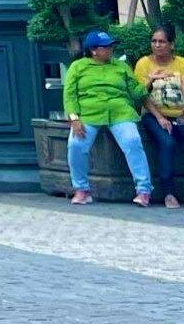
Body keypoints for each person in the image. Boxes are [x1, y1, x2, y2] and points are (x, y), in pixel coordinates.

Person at [61, 30, 151, 207]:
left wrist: (150, 82)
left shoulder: (121, 66)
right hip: (89, 113)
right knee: (76, 145)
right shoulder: (77, 67)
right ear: (94, 50)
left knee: (133, 141)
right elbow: (69, 95)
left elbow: (135, 92)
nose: (111, 49)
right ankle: (81, 189)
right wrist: (74, 118)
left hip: (120, 112)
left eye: (111, 46)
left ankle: (144, 190)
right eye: (106, 47)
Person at [132, 25, 184, 207]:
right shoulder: (143, 63)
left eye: (162, 41)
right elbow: (140, 95)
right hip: (153, 115)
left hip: (180, 114)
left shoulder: (182, 63)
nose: (157, 45)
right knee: (167, 142)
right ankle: (169, 193)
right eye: (154, 41)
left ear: (171, 44)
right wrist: (160, 117)